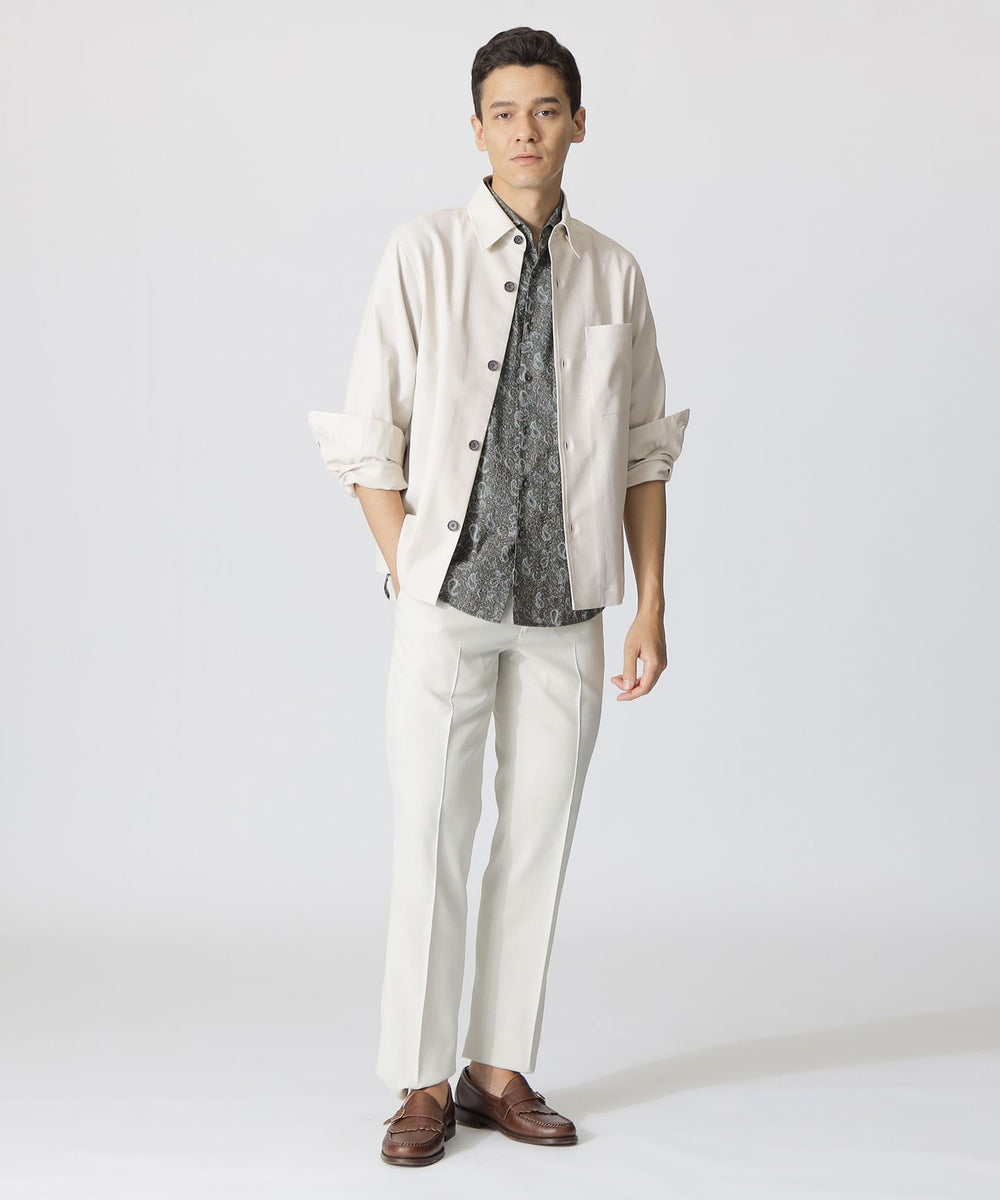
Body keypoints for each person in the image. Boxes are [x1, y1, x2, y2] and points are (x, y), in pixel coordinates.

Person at [308, 26, 690, 1167]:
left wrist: (650, 606)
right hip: (450, 596)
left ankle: (496, 1067)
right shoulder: (421, 253)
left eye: (547, 109)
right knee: (432, 833)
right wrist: (411, 567)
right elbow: (368, 435)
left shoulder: (615, 272)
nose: (528, 130)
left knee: (536, 839)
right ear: (476, 129)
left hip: (570, 605)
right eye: (506, 112)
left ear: (579, 123)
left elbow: (645, 452)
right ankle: (421, 1079)